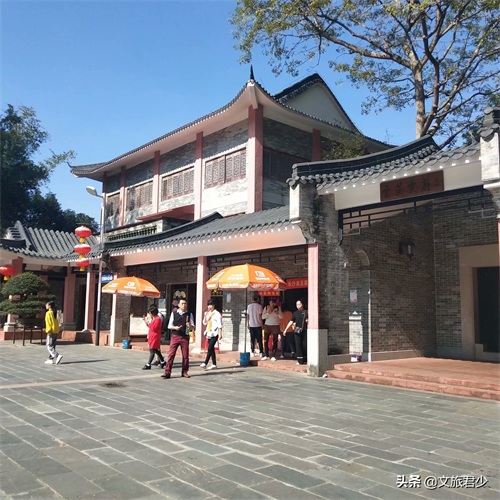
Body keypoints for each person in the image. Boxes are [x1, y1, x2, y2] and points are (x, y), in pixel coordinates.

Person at [161, 298, 195, 379]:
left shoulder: (189, 314)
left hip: (185, 337)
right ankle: (167, 372)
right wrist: (175, 328)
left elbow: (193, 327)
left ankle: (185, 372)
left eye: (185, 303)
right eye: (182, 303)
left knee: (185, 355)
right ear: (179, 305)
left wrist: (189, 326)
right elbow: (169, 326)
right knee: (171, 354)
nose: (184, 305)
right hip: (175, 336)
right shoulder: (174, 313)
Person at [284, 299, 308, 365]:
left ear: (302, 304)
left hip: (304, 331)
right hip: (297, 331)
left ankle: (305, 359)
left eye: (299, 304)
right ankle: (300, 360)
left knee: (304, 345)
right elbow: (291, 321)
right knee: (298, 345)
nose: (298, 306)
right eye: (297, 304)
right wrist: (286, 329)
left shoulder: (306, 312)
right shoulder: (295, 313)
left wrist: (308, 321)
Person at [201, 299, 222, 370]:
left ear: (214, 306)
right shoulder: (208, 313)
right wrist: (205, 315)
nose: (209, 306)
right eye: (208, 305)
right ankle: (214, 364)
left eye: (211, 305)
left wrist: (220, 334)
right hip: (209, 332)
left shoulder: (217, 314)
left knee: (210, 347)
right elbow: (204, 323)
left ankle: (205, 363)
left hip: (215, 333)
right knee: (211, 348)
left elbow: (219, 324)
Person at [142, 306, 166, 370]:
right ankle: (162, 361)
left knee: (152, 350)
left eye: (150, 313)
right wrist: (146, 322)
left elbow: (153, 328)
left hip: (155, 336)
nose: (149, 314)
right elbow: (150, 326)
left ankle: (148, 364)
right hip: (152, 336)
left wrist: (147, 322)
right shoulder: (154, 318)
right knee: (155, 349)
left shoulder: (157, 319)